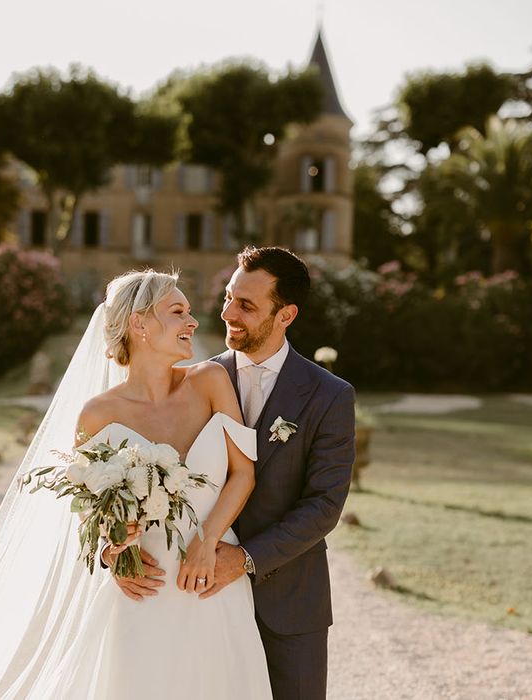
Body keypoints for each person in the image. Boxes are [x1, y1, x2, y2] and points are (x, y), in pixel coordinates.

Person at [0, 269, 272, 699]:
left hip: (212, 577)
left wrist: (208, 542)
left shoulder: (210, 381)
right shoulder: (97, 415)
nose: (193, 322)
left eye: (189, 312)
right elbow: (91, 510)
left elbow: (242, 474)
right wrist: (113, 551)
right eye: (178, 312)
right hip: (143, 587)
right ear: (139, 324)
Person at [110, 247, 356, 700]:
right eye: (227, 297)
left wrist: (242, 559)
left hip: (287, 603)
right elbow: (121, 478)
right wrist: (115, 553)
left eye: (246, 305)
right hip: (194, 603)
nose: (226, 312)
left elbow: (324, 505)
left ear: (286, 315)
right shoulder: (189, 381)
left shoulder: (329, 395)